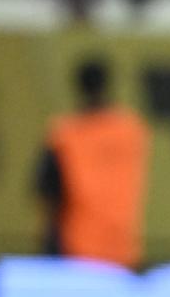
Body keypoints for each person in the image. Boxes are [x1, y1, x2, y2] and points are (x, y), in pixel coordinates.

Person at [35, 59, 151, 269]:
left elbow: (48, 191)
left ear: (77, 87)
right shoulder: (132, 130)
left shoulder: (66, 133)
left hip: (77, 249)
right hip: (122, 249)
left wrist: (49, 245)